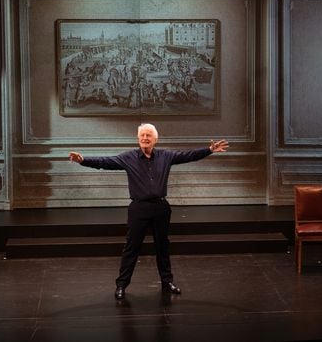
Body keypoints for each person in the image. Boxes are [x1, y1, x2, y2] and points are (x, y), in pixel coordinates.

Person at [68, 123, 229, 300]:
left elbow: (188, 155)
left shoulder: (166, 156)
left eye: (148, 135)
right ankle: (121, 285)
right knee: (131, 248)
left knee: (162, 247)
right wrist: (82, 160)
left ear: (155, 139)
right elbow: (105, 162)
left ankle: (167, 282)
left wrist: (209, 150)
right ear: (138, 139)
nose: (145, 138)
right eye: (142, 135)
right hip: (139, 208)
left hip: (161, 208)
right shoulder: (128, 157)